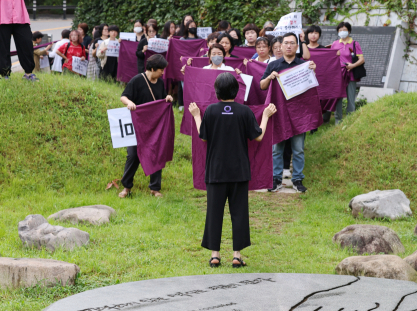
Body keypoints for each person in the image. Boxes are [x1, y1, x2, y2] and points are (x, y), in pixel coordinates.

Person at [188, 73, 277, 268]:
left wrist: (196, 116)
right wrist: (266, 116)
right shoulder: (244, 112)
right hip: (239, 171)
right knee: (239, 213)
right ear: (237, 91)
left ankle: (215, 255)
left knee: (214, 212)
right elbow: (259, 137)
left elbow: (203, 137)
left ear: (216, 91)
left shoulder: (210, 110)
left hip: (216, 170)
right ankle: (237, 256)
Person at [261, 32, 316, 193]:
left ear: (297, 46)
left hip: (299, 114)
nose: (289, 46)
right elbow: (262, 86)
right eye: (286, 43)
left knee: (298, 149)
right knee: (276, 148)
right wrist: (270, 77)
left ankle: (297, 179)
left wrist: (313, 70)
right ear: (281, 46)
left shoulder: (303, 65)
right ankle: (276, 179)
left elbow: (312, 90)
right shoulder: (273, 65)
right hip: (279, 113)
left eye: (292, 43)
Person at [119, 55, 174, 199]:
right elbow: (123, 96)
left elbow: (161, 100)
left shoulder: (160, 83)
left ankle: (155, 189)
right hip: (137, 125)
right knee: (133, 155)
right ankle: (127, 187)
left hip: (154, 127)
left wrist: (167, 98)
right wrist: (129, 103)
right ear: (153, 68)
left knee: (157, 154)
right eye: (161, 69)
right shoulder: (137, 80)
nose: (163, 73)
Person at [0, 0, 37, 81]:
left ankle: (28, 73)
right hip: (1, 15)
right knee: (2, 47)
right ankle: (5, 75)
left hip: (20, 15)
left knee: (26, 43)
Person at [331, 22, 364, 124]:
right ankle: (338, 120)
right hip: (338, 74)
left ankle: (351, 119)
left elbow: (361, 59)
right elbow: (331, 58)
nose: (342, 32)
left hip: (351, 73)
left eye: (344, 30)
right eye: (340, 30)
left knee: (350, 96)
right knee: (338, 96)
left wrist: (352, 65)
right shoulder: (335, 44)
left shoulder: (354, 43)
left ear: (349, 31)